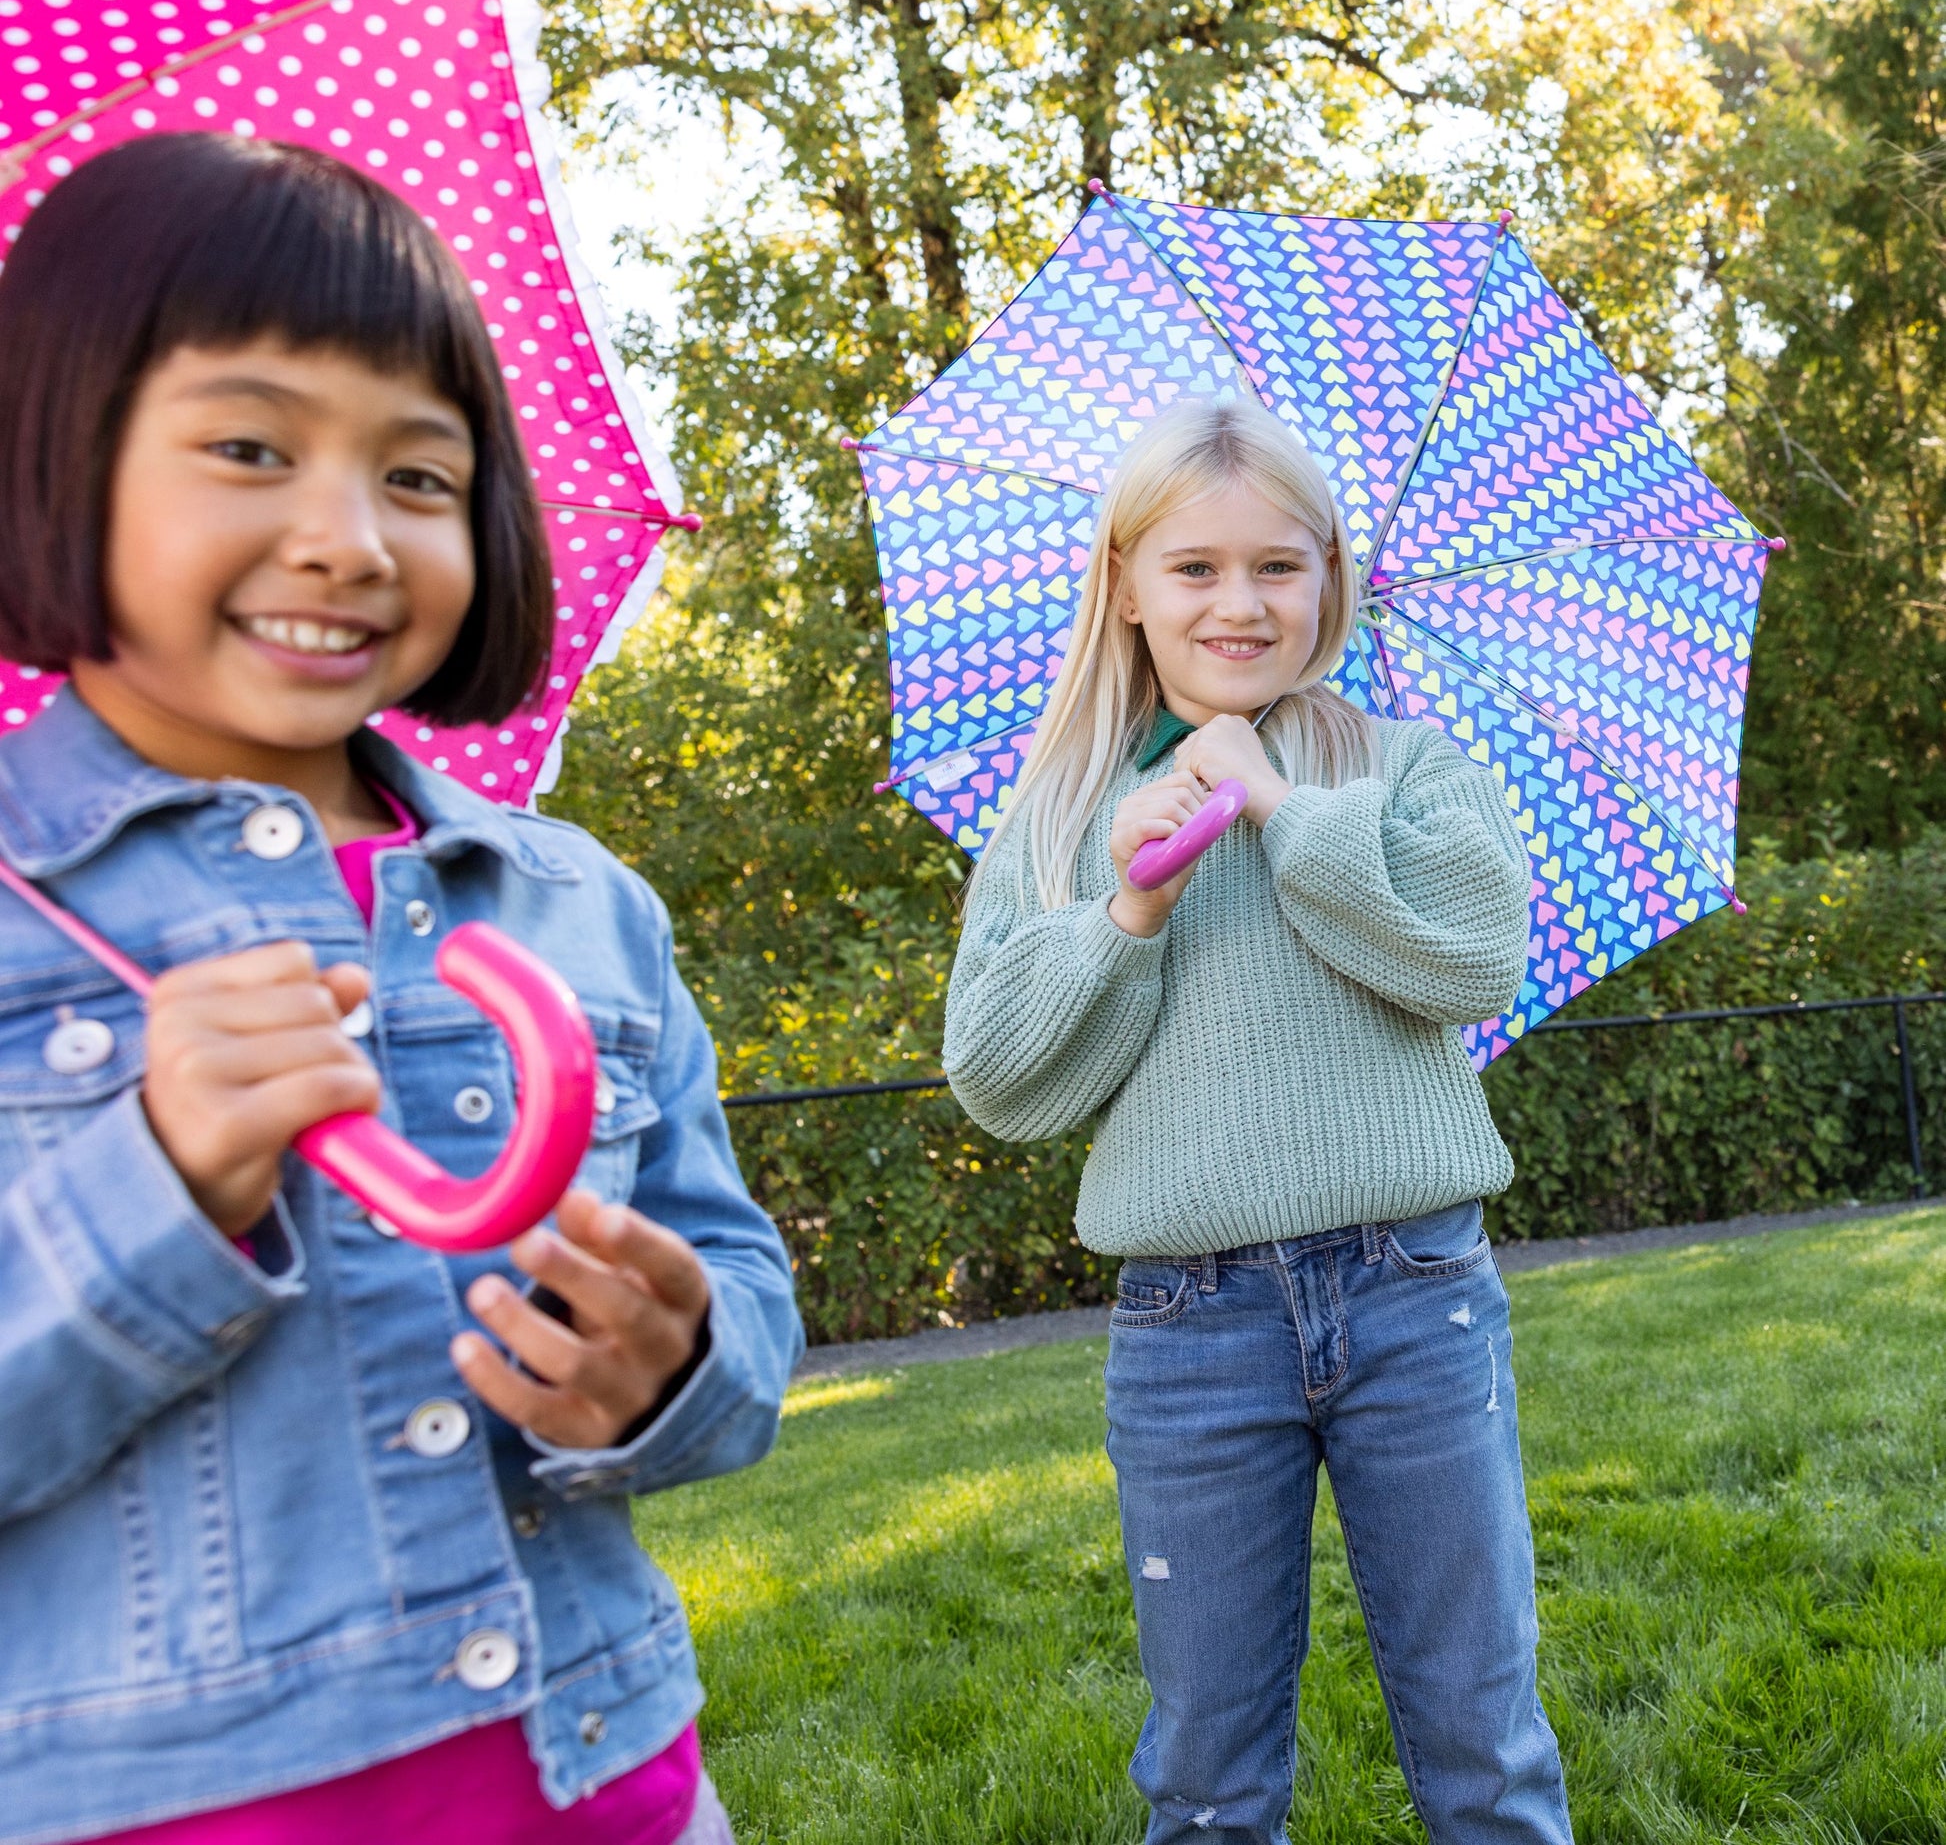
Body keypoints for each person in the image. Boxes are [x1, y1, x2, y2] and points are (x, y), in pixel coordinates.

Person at [0, 133, 802, 1845]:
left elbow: (734, 1282)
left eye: (420, 475)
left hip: (616, 1790)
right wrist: (154, 1183)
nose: (348, 538)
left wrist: (673, 1369)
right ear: (56, 447)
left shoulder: (575, 904)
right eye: (248, 446)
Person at [944, 397, 1571, 1844]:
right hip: (1190, 1324)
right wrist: (1128, 906)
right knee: (1207, 1768)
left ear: (1328, 579)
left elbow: (1469, 962)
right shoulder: (1062, 815)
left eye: (1278, 566)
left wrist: (1281, 808)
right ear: (1126, 587)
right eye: (1196, 568)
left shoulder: (1406, 770)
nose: (1239, 602)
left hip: (1416, 1292)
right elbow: (1001, 1080)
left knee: (1482, 1734)